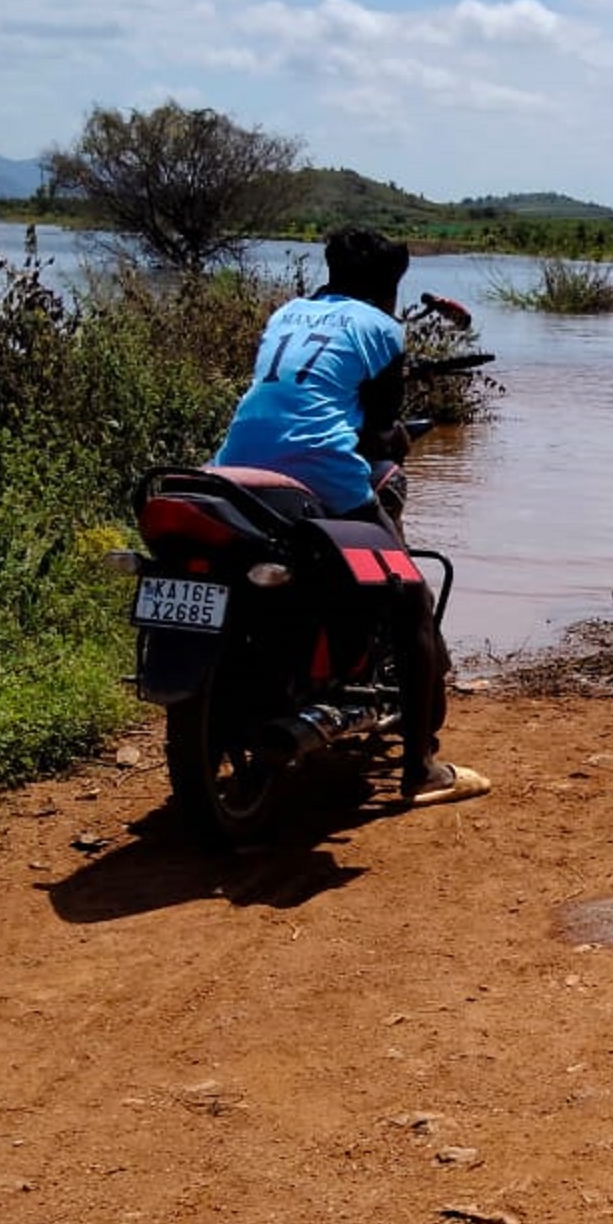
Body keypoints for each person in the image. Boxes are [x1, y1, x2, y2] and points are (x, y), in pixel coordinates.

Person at [215, 228, 486, 807]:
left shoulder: (288, 312)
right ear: (388, 286)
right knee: (410, 600)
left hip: (236, 469)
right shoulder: (382, 329)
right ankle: (421, 768)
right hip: (322, 474)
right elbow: (377, 431)